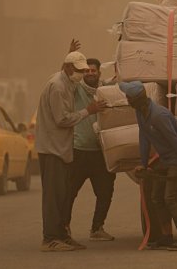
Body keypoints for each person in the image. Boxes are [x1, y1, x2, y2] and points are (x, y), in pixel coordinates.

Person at [118, 81, 177, 251]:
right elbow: (144, 138)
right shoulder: (140, 113)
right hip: (164, 159)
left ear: (137, 99)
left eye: (128, 97)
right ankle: (166, 236)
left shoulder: (159, 116)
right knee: (156, 198)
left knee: (170, 198)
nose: (126, 100)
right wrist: (143, 164)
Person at [35, 45, 107, 252]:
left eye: (84, 70)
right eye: (79, 70)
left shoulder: (66, 81)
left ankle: (62, 235)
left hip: (61, 148)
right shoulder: (58, 87)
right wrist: (88, 111)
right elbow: (62, 119)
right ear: (68, 68)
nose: (82, 74)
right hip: (52, 149)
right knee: (53, 197)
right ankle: (50, 239)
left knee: (62, 195)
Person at [64, 55, 116, 242]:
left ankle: (97, 228)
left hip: (101, 153)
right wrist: (68, 57)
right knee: (69, 192)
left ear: (99, 72)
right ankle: (64, 227)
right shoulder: (76, 89)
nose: (89, 73)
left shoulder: (105, 90)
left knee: (105, 192)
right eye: (86, 71)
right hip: (79, 151)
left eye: (93, 70)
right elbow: (64, 77)